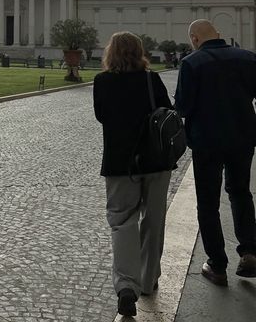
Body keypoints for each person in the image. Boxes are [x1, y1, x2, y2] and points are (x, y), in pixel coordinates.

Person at [93, 32, 173, 318]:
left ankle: (127, 285)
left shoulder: (102, 82)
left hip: (120, 164)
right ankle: (149, 280)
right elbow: (167, 112)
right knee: (154, 220)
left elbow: (101, 115)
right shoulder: (152, 80)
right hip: (156, 161)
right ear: (140, 51)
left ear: (110, 53)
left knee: (123, 222)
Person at [174, 19, 256, 285]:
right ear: (218, 34)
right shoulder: (247, 58)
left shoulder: (191, 63)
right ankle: (249, 251)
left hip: (206, 141)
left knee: (208, 203)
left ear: (195, 39)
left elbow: (183, 108)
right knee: (241, 192)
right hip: (243, 138)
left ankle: (217, 264)